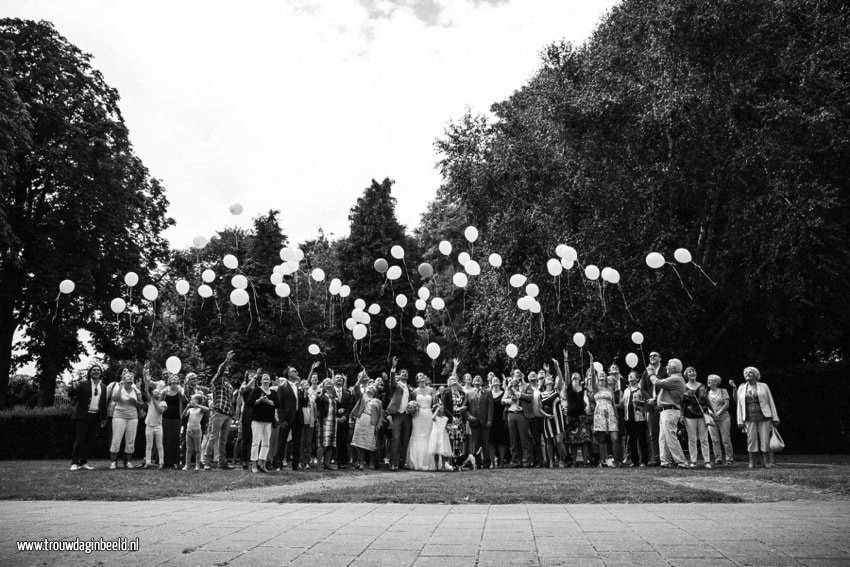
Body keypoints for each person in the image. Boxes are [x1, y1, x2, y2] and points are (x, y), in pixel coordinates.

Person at [736, 366, 779, 469]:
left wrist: (775, 417)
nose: (747, 374)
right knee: (751, 440)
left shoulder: (764, 386)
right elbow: (739, 405)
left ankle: (766, 462)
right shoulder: (741, 388)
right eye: (746, 373)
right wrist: (740, 420)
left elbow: (770, 401)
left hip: (764, 416)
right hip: (749, 417)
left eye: (750, 372)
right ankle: (752, 462)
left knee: (765, 440)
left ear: (756, 375)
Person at [68, 363, 108, 471]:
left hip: (95, 416)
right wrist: (72, 387)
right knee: (80, 439)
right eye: (94, 370)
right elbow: (74, 396)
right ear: (90, 372)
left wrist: (104, 418)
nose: (96, 371)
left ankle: (83, 462)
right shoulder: (82, 384)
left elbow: (104, 404)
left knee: (89, 440)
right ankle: (74, 462)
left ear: (101, 373)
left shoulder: (103, 387)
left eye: (98, 370)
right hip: (83, 415)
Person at [653, 358, 688, 469]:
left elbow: (657, 383)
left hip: (670, 411)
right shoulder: (674, 379)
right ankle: (665, 461)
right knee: (663, 438)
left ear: (674, 368)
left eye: (668, 365)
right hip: (666, 411)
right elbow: (668, 395)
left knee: (671, 437)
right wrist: (655, 400)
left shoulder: (676, 379)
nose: (666, 367)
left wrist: (651, 374)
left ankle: (681, 462)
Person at [274, 364, 311, 471]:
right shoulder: (283, 387)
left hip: (298, 418)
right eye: (294, 371)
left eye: (296, 371)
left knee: (297, 442)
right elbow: (279, 405)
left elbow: (303, 404)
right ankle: (279, 464)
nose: (297, 373)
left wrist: (304, 392)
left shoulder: (299, 388)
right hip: (286, 418)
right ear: (289, 374)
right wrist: (281, 419)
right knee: (282, 441)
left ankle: (295, 464)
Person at [204, 350, 236, 470]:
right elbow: (220, 371)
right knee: (213, 437)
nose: (226, 370)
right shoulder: (216, 381)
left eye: (227, 369)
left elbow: (230, 401)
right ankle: (207, 462)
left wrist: (232, 414)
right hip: (218, 413)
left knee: (223, 440)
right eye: (225, 369)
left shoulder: (229, 386)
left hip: (227, 414)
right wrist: (226, 361)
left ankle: (222, 462)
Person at [109, 367, 144, 469]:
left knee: (130, 440)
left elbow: (142, 405)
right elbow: (115, 399)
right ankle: (113, 462)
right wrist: (120, 388)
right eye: (127, 376)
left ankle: (128, 462)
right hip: (119, 416)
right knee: (116, 439)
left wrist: (136, 402)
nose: (129, 377)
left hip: (133, 417)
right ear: (123, 379)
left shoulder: (136, 390)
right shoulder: (118, 387)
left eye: (131, 377)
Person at [589, 361, 619, 468]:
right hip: (599, 414)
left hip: (610, 414)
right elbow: (592, 378)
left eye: (603, 374)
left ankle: (615, 460)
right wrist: (591, 364)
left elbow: (614, 404)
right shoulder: (596, 388)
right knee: (601, 439)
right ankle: (603, 461)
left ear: (606, 377)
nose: (602, 375)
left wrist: (616, 416)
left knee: (614, 438)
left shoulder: (610, 389)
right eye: (600, 374)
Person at [385, 358, 413, 471]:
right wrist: (393, 368)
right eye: (403, 372)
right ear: (399, 375)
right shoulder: (396, 385)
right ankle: (393, 462)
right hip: (397, 414)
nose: (405, 374)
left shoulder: (410, 388)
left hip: (407, 416)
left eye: (406, 373)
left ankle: (402, 462)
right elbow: (391, 381)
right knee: (395, 438)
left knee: (405, 439)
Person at [248, 372, 278, 473]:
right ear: (260, 381)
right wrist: (259, 400)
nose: (266, 378)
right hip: (257, 420)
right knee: (256, 442)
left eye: (268, 377)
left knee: (266, 443)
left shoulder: (273, 392)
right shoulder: (257, 390)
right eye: (264, 377)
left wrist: (268, 402)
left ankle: (262, 463)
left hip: (268, 421)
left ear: (270, 381)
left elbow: (278, 404)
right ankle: (254, 464)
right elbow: (250, 403)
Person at [640, 351, 666, 466]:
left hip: (664, 404)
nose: (652, 357)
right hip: (650, 406)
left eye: (655, 355)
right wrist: (650, 399)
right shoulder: (646, 373)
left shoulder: (665, 371)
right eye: (650, 356)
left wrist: (657, 400)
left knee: (665, 433)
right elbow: (642, 388)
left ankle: (666, 458)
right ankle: (656, 458)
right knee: (653, 434)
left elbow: (665, 386)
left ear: (660, 358)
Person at [440, 362, 469, 470]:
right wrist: (451, 418)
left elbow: (466, 404)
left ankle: (459, 462)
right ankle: (450, 463)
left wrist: (463, 408)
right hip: (451, 419)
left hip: (460, 419)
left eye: (455, 379)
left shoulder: (461, 393)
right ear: (449, 382)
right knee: (451, 441)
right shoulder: (446, 392)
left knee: (460, 440)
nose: (454, 380)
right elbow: (445, 407)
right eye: (452, 379)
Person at [682, 367, 711, 468]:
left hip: (702, 414)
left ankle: (707, 461)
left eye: (693, 371)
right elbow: (681, 403)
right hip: (689, 415)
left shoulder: (702, 386)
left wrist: (713, 411)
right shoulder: (683, 387)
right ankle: (693, 461)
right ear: (686, 375)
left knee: (704, 439)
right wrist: (681, 415)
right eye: (689, 372)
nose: (692, 373)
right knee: (692, 439)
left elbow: (707, 400)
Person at [503, 370, 533, 467]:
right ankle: (516, 461)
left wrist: (518, 393)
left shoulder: (526, 386)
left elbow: (529, 398)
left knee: (525, 439)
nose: (519, 373)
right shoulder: (509, 388)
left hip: (522, 414)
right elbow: (502, 401)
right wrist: (510, 400)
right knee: (513, 440)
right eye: (517, 372)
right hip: (511, 414)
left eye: (520, 372)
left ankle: (527, 461)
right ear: (512, 375)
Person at [563, 369, 593, 467]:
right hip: (572, 418)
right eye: (573, 377)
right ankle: (574, 462)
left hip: (581, 416)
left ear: (580, 378)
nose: (575, 377)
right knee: (573, 442)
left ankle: (585, 462)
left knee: (584, 440)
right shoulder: (569, 388)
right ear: (571, 379)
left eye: (577, 376)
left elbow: (585, 397)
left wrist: (587, 405)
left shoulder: (583, 389)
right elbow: (566, 373)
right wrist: (561, 364)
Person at [407, 373, 436, 470]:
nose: (422, 376)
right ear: (417, 379)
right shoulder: (414, 392)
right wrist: (412, 409)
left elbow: (435, 404)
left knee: (429, 436)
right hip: (417, 416)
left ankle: (430, 461)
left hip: (429, 414)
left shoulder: (432, 390)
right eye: (419, 376)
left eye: (423, 375)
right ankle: (417, 461)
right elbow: (411, 404)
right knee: (417, 436)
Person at [620, 370, 648, 467]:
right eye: (629, 376)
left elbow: (647, 401)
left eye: (632, 376)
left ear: (637, 378)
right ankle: (634, 460)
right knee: (632, 440)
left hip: (640, 418)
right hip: (629, 417)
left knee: (642, 439)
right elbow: (623, 403)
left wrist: (640, 402)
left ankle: (644, 460)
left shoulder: (641, 389)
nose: (630, 377)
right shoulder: (626, 391)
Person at [540, 363, 566, 467]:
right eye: (547, 378)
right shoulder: (541, 394)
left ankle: (562, 460)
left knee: (559, 441)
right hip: (548, 419)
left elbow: (560, 378)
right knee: (549, 441)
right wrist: (546, 414)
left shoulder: (557, 390)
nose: (549, 379)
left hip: (558, 419)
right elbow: (539, 409)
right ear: (544, 383)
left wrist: (557, 367)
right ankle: (551, 461)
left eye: (551, 378)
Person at [351, 386, 383, 469]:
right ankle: (361, 463)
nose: (369, 389)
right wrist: (361, 379)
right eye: (368, 387)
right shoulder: (362, 397)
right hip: (361, 420)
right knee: (360, 443)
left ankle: (371, 463)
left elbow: (380, 415)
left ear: (375, 392)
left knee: (371, 443)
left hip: (372, 422)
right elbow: (356, 389)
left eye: (372, 388)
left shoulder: (378, 401)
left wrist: (378, 424)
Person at [466, 373, 493, 468]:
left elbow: (490, 407)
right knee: (475, 444)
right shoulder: (469, 394)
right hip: (474, 422)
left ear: (482, 382)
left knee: (486, 444)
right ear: (473, 382)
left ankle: (486, 463)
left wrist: (489, 420)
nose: (477, 378)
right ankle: (477, 463)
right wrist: (469, 417)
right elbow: (466, 408)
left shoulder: (487, 392)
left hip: (485, 422)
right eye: (475, 378)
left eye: (479, 378)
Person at [706, 374, 734, 466]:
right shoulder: (707, 393)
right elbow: (706, 406)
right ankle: (718, 459)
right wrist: (711, 413)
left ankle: (729, 459)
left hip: (723, 417)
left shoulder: (723, 391)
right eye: (708, 380)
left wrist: (718, 413)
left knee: (726, 439)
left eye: (711, 380)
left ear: (716, 382)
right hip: (711, 418)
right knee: (715, 440)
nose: (708, 381)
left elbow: (727, 405)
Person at [161, 374, 185, 469]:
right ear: (169, 380)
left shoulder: (180, 390)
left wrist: (181, 388)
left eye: (176, 377)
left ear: (178, 380)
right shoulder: (165, 390)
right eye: (172, 377)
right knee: (165, 439)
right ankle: (165, 461)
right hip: (165, 418)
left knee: (175, 440)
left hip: (176, 419)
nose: (174, 378)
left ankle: (175, 461)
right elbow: (158, 399)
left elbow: (184, 395)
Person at [315, 378, 338, 470]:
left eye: (330, 383)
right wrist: (321, 391)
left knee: (330, 444)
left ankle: (327, 463)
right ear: (323, 386)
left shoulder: (333, 397)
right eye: (326, 383)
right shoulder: (321, 396)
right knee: (322, 443)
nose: (329, 384)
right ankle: (319, 464)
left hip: (333, 421)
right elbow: (318, 401)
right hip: (324, 422)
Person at [487, 374, 509, 468]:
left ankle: (501, 462)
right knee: (491, 442)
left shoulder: (504, 392)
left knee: (501, 441)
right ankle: (492, 462)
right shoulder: (488, 393)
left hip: (501, 420)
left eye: (497, 379)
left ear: (500, 383)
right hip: (491, 421)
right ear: (491, 383)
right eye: (493, 379)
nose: (495, 380)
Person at [182, 394, 208, 470]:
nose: (191, 400)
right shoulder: (190, 410)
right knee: (189, 449)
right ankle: (187, 465)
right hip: (189, 430)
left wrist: (197, 405)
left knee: (197, 449)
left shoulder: (200, 410)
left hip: (197, 431)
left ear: (197, 400)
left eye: (193, 399)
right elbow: (183, 415)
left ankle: (197, 465)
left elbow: (207, 409)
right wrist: (187, 407)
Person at [142, 385, 166, 468]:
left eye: (159, 392)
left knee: (159, 445)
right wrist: (146, 380)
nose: (158, 393)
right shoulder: (150, 401)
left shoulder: (163, 403)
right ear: (152, 394)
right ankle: (148, 462)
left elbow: (161, 411)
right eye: (155, 392)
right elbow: (146, 390)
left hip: (158, 426)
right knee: (149, 445)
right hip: (149, 425)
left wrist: (154, 400)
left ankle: (161, 463)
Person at [333, 373, 353, 469]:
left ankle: (342, 461)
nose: (339, 379)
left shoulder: (347, 393)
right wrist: (336, 415)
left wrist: (345, 416)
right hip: (333, 420)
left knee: (342, 440)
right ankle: (331, 460)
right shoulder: (330, 392)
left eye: (341, 378)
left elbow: (350, 406)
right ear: (333, 380)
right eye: (337, 378)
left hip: (344, 420)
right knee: (332, 440)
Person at [429, 405, 452, 471]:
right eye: (439, 409)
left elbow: (446, 426)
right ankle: (436, 465)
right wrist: (436, 411)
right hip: (436, 435)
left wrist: (448, 428)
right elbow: (433, 418)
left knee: (443, 451)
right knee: (436, 450)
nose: (440, 410)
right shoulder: (435, 417)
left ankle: (443, 466)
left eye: (442, 409)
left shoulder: (445, 418)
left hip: (443, 435)